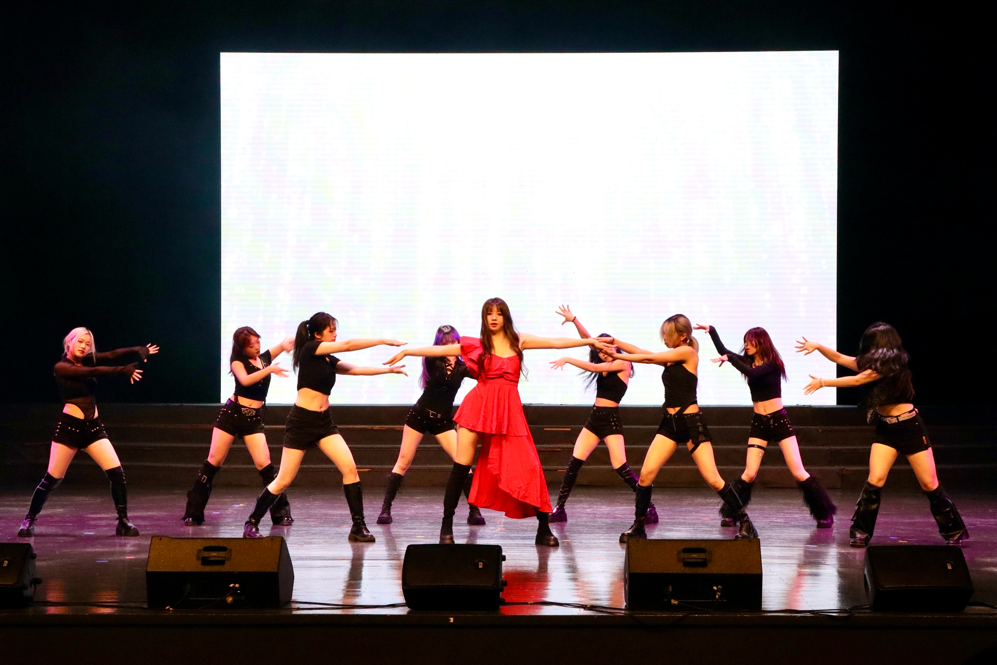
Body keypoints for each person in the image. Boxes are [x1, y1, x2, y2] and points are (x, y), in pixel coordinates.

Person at [384, 297, 606, 547]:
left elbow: (555, 342)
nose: (493, 317)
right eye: (489, 313)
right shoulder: (477, 345)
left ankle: (543, 528)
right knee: (460, 468)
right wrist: (407, 351)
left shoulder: (519, 341)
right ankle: (446, 528)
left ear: (505, 317)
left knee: (530, 467)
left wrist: (588, 341)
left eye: (498, 313)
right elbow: (439, 350)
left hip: (509, 411)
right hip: (478, 407)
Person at [797, 323, 968, 546]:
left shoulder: (892, 364)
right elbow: (840, 358)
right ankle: (860, 531)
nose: (866, 348)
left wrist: (823, 382)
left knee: (929, 483)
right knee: (875, 479)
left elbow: (858, 380)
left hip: (909, 427)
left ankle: (953, 530)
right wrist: (819, 346)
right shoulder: (874, 364)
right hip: (886, 428)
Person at [242, 312, 407, 541]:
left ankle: (358, 526)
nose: (335, 334)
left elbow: (354, 369)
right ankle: (251, 522)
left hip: (324, 422)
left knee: (349, 468)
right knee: (283, 479)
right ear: (318, 334)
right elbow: (348, 345)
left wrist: (388, 370)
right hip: (302, 422)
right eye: (331, 330)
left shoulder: (328, 359)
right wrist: (382, 340)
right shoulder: (310, 349)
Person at [601, 314, 758, 542]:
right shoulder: (671, 357)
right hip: (670, 423)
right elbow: (643, 352)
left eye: (668, 334)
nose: (664, 338)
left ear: (683, 336)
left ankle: (745, 522)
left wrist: (617, 354)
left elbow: (648, 358)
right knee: (645, 474)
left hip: (691, 423)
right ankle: (639, 526)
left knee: (713, 479)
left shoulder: (687, 353)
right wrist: (615, 341)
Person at [18, 328, 158, 537]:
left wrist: (137, 349)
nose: (84, 347)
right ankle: (29, 519)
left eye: (88, 344)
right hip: (69, 430)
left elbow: (111, 354)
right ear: (69, 342)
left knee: (117, 473)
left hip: (93, 429)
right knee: (52, 479)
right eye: (80, 342)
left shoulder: (87, 360)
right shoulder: (61, 367)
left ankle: (123, 521)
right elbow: (94, 372)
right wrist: (122, 370)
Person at [695, 323, 836, 528]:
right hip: (759, 423)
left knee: (798, 472)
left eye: (750, 341)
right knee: (749, 473)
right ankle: (732, 512)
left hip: (779, 421)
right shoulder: (749, 362)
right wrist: (712, 331)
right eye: (745, 341)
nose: (746, 345)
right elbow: (724, 351)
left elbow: (751, 373)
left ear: (761, 343)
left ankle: (824, 513)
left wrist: (731, 359)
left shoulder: (772, 364)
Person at [547, 305, 658, 524]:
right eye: (600, 350)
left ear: (616, 347)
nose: (603, 352)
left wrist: (568, 358)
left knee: (621, 467)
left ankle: (649, 507)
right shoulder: (605, 359)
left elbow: (595, 368)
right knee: (574, 464)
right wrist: (575, 320)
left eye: (607, 348)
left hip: (610, 420)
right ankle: (559, 509)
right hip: (595, 418)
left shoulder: (624, 362)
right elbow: (589, 341)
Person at [183, 326, 294, 526]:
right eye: (251, 346)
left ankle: (280, 513)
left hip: (253, 420)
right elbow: (246, 380)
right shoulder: (237, 362)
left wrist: (291, 341)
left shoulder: (264, 358)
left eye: (257, 342)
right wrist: (269, 369)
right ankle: (193, 512)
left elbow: (283, 345)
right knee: (213, 462)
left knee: (265, 465)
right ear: (242, 349)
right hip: (232, 415)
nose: (256, 347)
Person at [376, 324, 485, 526]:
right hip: (419, 416)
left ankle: (474, 510)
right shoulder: (432, 360)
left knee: (463, 462)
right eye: (445, 344)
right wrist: (406, 351)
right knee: (403, 461)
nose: (450, 347)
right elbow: (428, 353)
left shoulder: (462, 368)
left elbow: (484, 374)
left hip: (442, 421)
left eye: (453, 342)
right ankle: (385, 509)